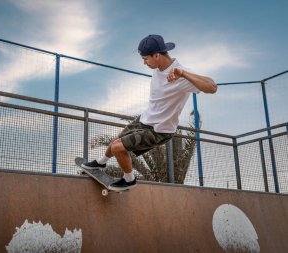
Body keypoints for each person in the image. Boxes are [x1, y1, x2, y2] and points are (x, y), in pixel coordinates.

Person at [82, 34, 217, 191]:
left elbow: (212, 87)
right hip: (145, 119)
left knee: (119, 148)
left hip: (160, 130)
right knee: (114, 143)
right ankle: (102, 162)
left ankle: (129, 180)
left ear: (157, 55)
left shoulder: (182, 74)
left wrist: (183, 74)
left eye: (146, 59)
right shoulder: (159, 67)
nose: (144, 62)